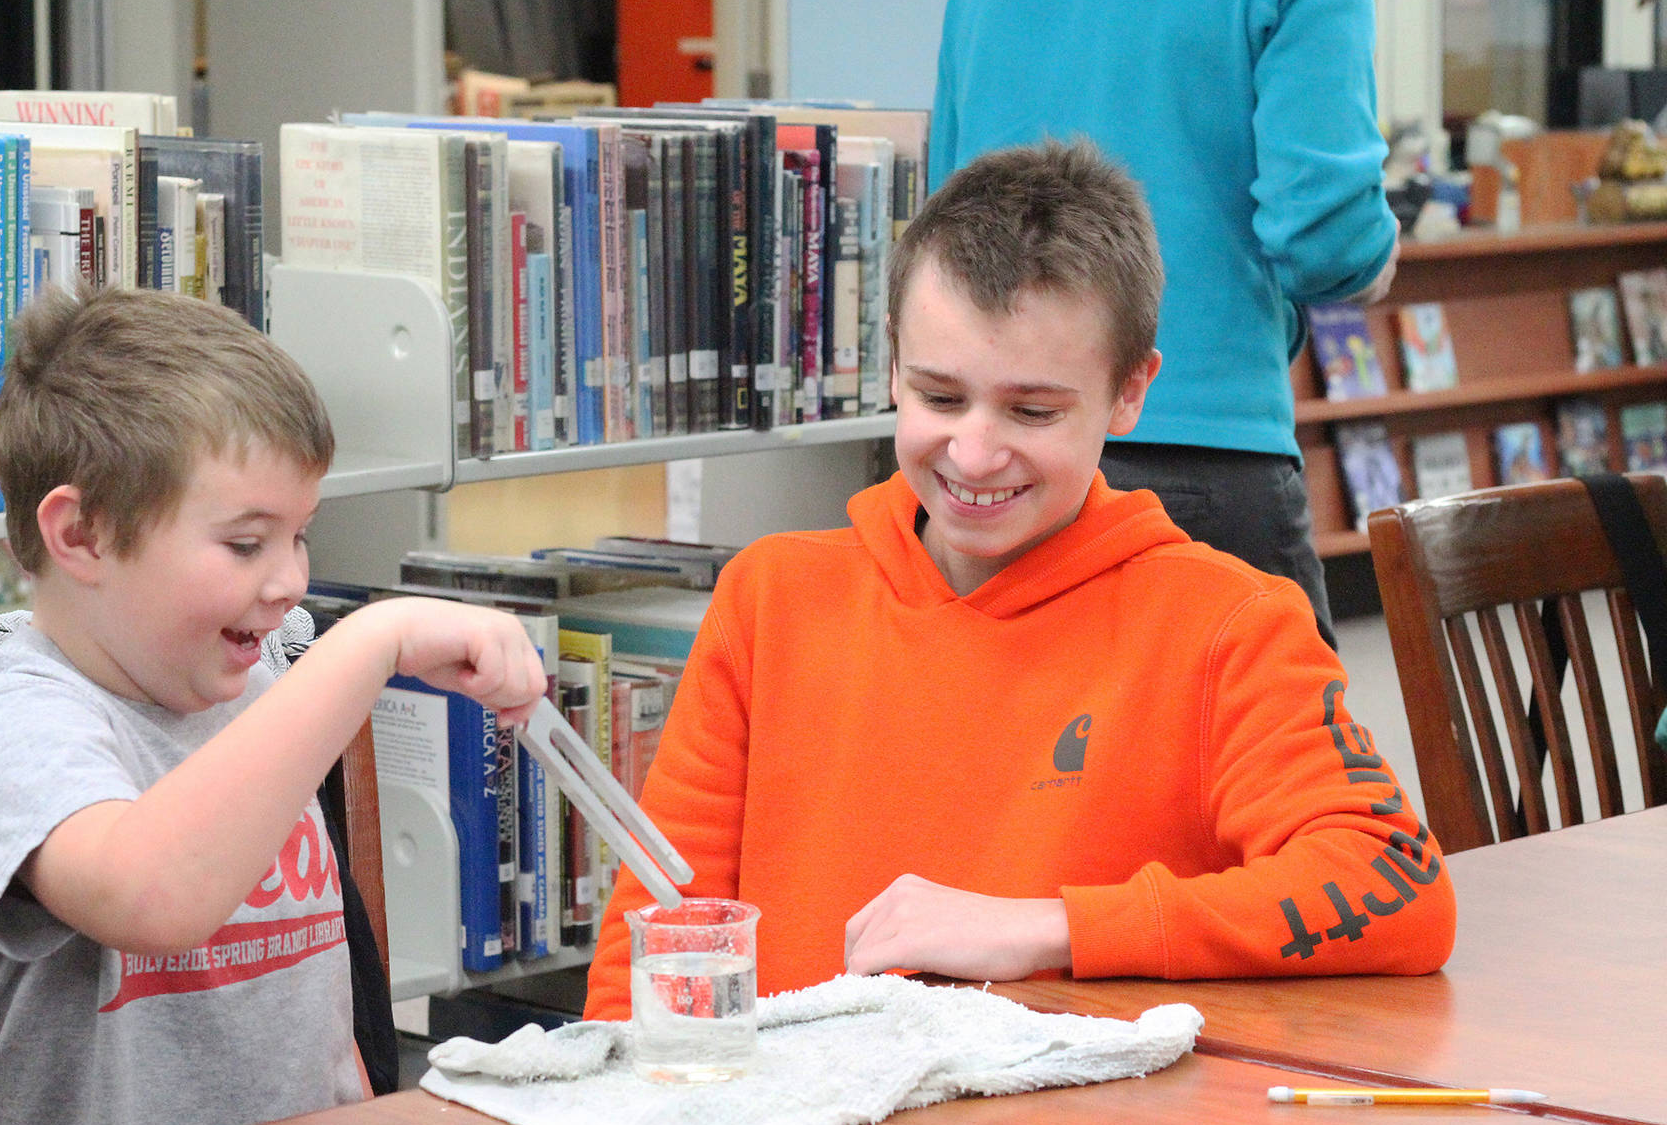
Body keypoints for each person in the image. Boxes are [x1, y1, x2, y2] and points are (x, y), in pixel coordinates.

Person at [583, 141, 1453, 1019]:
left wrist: (1051, 930)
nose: (973, 453)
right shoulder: (769, 600)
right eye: (939, 397)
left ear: (1128, 394)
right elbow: (651, 948)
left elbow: (1399, 887)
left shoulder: (1229, 625)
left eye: (1032, 411)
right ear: (891, 367)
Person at [0, 287, 548, 1125]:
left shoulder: (261, 677)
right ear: (83, 533)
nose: (290, 582)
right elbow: (152, 900)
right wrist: (368, 645)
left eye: (300, 535)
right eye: (246, 543)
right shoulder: (16, 720)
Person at [926, 0, 1403, 647]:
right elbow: (1326, 237)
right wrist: (1374, 260)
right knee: (1275, 745)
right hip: (1200, 447)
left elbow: (945, 231)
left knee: (1004, 744)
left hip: (992, 460)